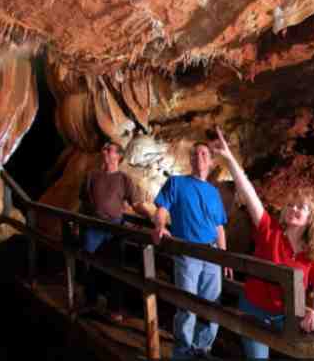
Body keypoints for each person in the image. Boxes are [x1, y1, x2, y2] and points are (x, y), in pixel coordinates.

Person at [210, 126, 314, 359]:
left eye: (301, 207)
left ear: (310, 217)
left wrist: (312, 309)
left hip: (287, 315)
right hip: (255, 310)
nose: (294, 209)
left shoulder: (312, 253)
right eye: (291, 205)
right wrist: (230, 159)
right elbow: (248, 192)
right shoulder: (269, 231)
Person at [151, 141, 230, 359]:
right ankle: (183, 353)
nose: (200, 157)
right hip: (187, 253)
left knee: (212, 308)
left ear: (211, 162)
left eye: (204, 154)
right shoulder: (176, 183)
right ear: (191, 160)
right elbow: (161, 209)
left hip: (212, 255)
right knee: (187, 307)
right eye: (195, 154)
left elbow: (219, 227)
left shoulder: (214, 192)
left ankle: (202, 349)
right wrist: (160, 227)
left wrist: (224, 257)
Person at [80, 141, 148, 322]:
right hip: (93, 226)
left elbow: (136, 204)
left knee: (116, 268)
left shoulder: (124, 179)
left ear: (118, 156)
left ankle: (114, 307)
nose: (104, 151)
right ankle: (90, 302)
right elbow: (83, 201)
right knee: (89, 265)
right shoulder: (91, 176)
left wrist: (152, 218)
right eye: (104, 148)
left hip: (114, 228)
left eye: (109, 149)